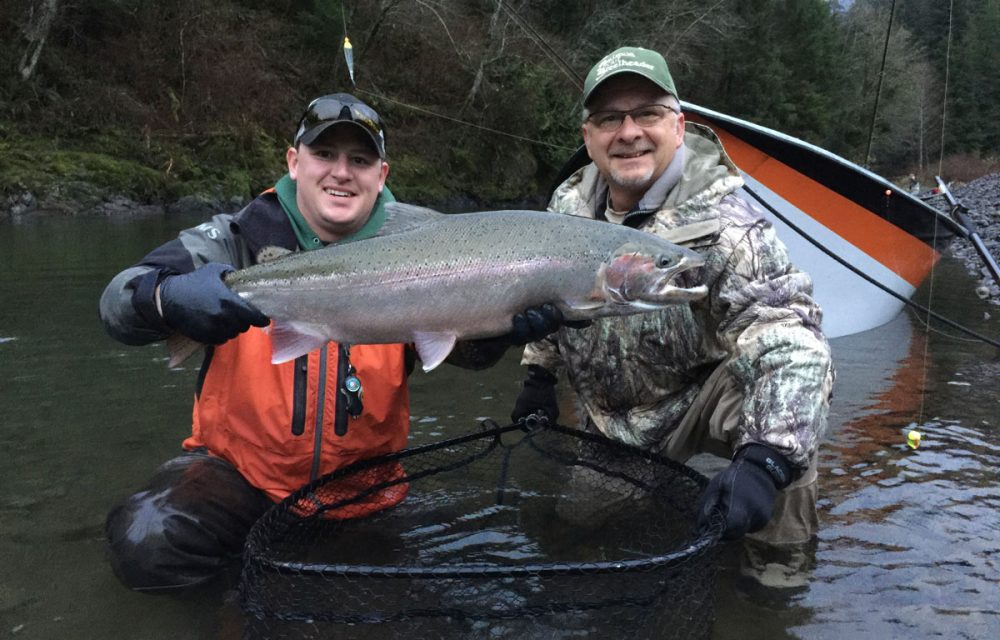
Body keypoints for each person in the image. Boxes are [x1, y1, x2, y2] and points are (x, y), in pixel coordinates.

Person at [99, 93, 561, 592]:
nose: (342, 172)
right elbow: (117, 304)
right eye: (325, 155)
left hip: (363, 493)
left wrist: (501, 331)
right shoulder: (233, 239)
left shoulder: (425, 248)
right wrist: (168, 298)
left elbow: (458, 355)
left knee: (393, 608)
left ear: (381, 176)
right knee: (149, 540)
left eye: (359, 161)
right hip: (238, 478)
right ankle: (227, 632)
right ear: (294, 163)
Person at [509, 47, 835, 565]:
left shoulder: (731, 225)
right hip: (614, 419)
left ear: (679, 127)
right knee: (577, 544)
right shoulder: (563, 214)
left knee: (788, 433)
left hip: (700, 400)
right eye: (610, 118)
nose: (629, 131)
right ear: (588, 137)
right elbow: (548, 301)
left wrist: (766, 461)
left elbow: (790, 337)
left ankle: (776, 579)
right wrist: (539, 376)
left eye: (648, 114)